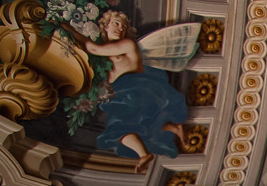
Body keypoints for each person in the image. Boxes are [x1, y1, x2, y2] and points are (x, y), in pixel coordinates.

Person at [64, 11, 190, 172]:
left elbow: (93, 49)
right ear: (105, 25)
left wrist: (69, 29)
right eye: (116, 23)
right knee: (139, 125)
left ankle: (144, 154)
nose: (120, 28)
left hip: (134, 89)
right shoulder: (107, 52)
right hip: (125, 92)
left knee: (116, 127)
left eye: (123, 26)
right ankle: (172, 128)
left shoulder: (127, 44)